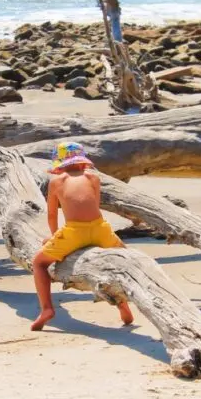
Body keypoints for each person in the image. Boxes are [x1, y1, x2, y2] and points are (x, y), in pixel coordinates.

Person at [30, 141, 135, 331]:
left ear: (60, 163)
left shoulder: (57, 181)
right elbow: (94, 207)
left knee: (38, 263)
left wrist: (54, 238)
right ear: (83, 160)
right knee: (122, 256)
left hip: (74, 232)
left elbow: (52, 214)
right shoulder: (93, 178)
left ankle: (46, 309)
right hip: (100, 229)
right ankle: (123, 305)